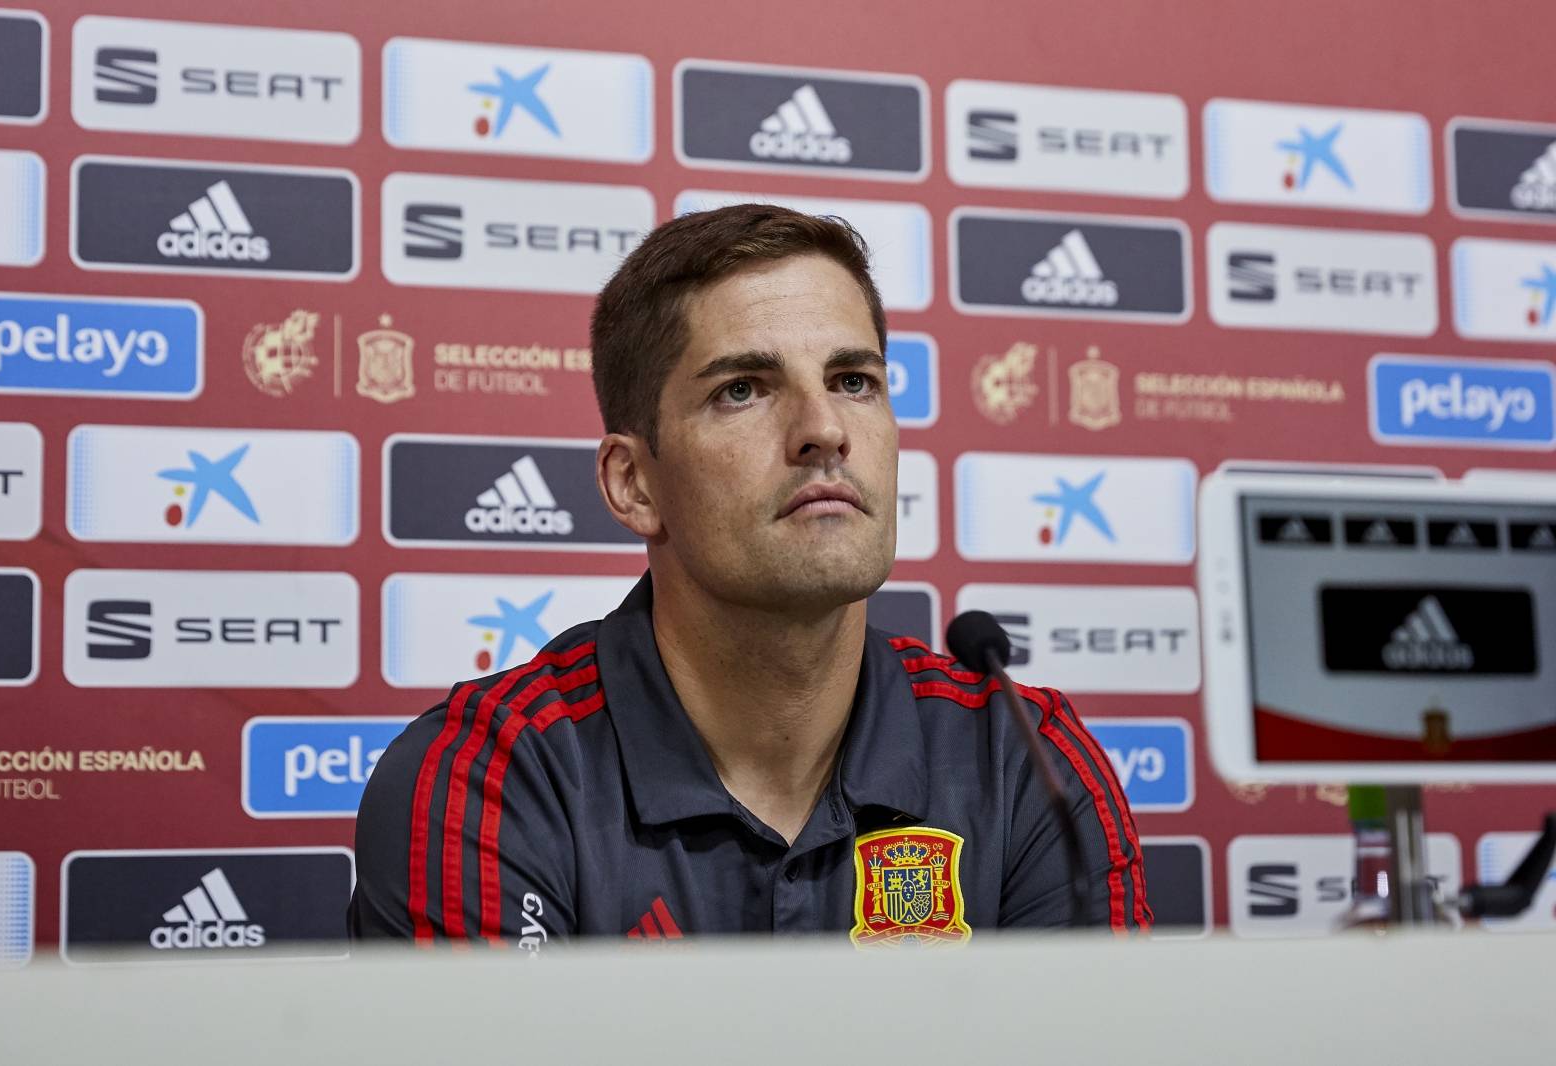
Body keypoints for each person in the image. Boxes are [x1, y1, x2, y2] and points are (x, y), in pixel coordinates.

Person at [350, 204, 1151, 948]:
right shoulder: (487, 779)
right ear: (634, 483)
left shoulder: (1022, 761)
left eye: (853, 381)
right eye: (743, 390)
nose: (824, 430)